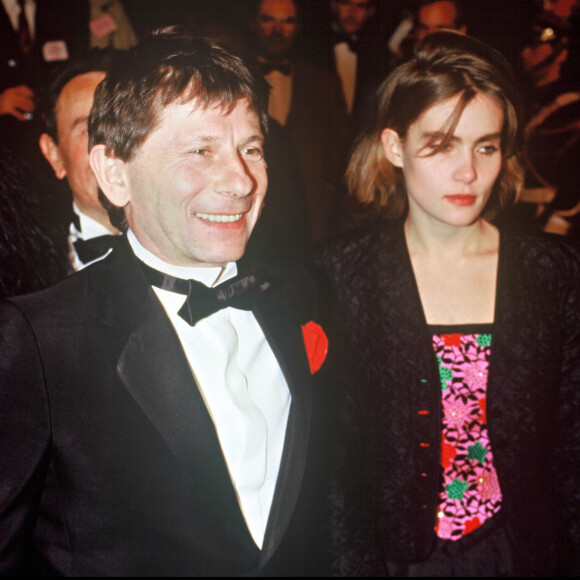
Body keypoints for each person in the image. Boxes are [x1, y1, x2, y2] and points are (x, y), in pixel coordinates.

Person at [0, 28, 332, 576]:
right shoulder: (38, 340)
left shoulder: (294, 295)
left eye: (250, 148)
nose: (240, 180)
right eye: (200, 150)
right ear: (115, 172)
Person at [319, 31, 580, 576]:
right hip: (395, 555)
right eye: (442, 145)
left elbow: (570, 445)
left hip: (521, 550)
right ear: (395, 147)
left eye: (485, 146)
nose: (468, 172)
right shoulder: (341, 274)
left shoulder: (552, 271)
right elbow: (335, 458)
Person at [251, 0, 349, 241]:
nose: (277, 30)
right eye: (268, 19)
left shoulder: (325, 84)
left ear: (299, 28)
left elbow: (341, 159)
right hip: (252, 216)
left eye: (287, 21)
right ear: (253, 24)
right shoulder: (234, 80)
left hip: (311, 224)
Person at [38, 47, 122, 272]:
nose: (112, 147)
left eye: (122, 123)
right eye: (88, 129)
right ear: (55, 155)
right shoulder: (22, 277)